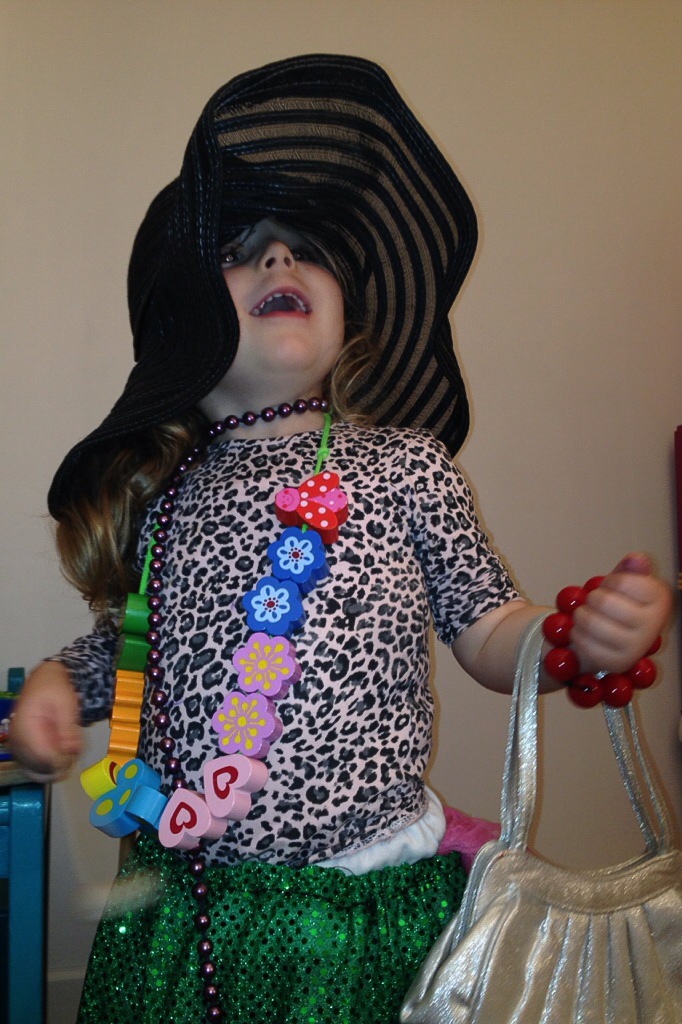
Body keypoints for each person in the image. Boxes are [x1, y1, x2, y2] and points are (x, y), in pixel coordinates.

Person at [9, 55, 670, 1024]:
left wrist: (571, 636)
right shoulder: (168, 494)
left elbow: (488, 627)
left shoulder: (405, 465)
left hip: (370, 913)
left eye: (303, 249)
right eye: (240, 252)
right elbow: (126, 650)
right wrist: (54, 687)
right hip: (195, 911)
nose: (279, 260)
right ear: (183, 329)